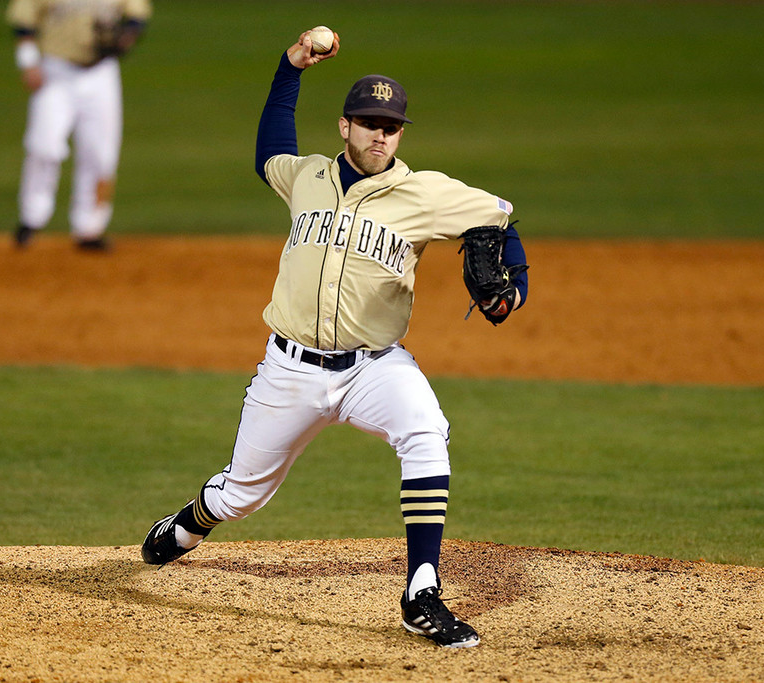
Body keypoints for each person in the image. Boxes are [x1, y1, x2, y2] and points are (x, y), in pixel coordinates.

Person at [141, 29, 529, 649]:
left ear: (402, 133)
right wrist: (288, 69)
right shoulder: (307, 178)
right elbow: (269, 147)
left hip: (374, 367)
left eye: (392, 126)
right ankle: (192, 523)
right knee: (241, 493)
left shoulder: (425, 192)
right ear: (344, 126)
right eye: (369, 122)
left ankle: (421, 591)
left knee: (426, 430)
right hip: (289, 369)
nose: (381, 135)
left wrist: (514, 287)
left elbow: (497, 219)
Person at [6, 0, 152, 251]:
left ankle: (90, 228)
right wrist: (28, 61)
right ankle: (32, 217)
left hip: (100, 75)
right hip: (55, 71)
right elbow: (23, 20)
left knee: (100, 154)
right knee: (44, 146)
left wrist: (129, 35)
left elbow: (137, 15)